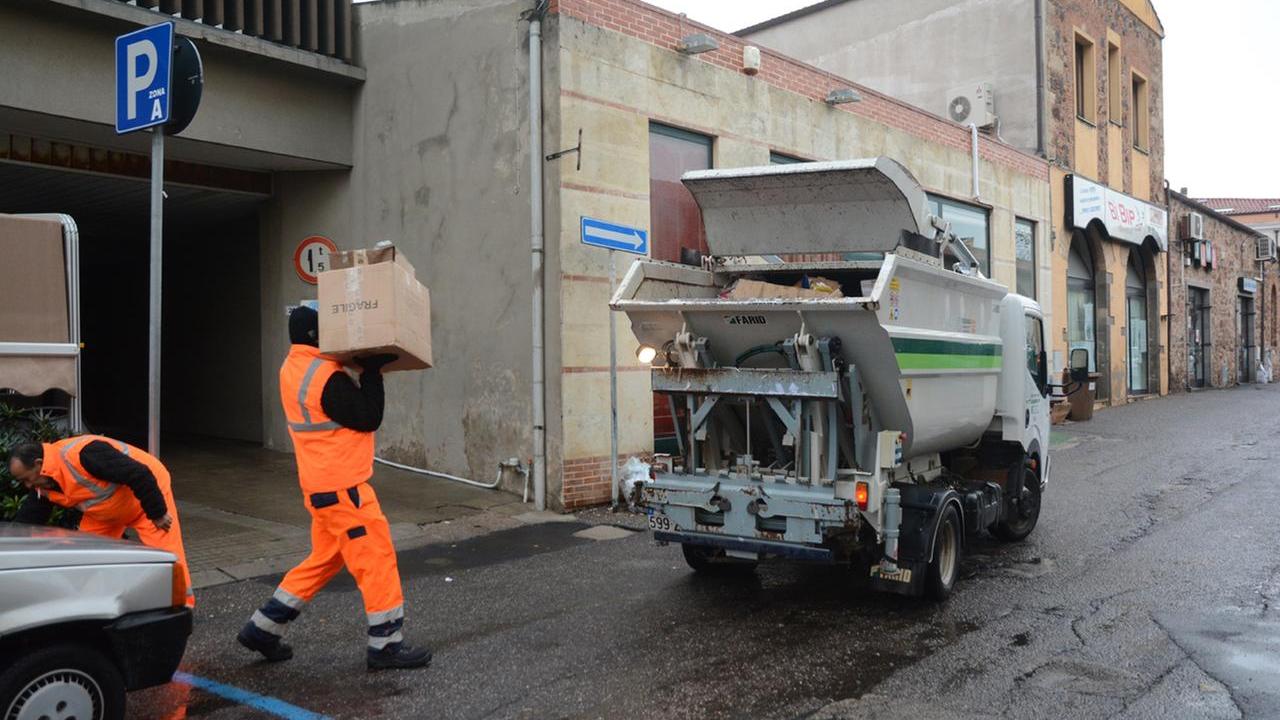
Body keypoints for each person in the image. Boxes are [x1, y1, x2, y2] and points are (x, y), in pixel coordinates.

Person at [237, 306, 430, 671]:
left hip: (320, 487)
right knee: (376, 559)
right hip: (345, 489)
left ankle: (262, 629)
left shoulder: (293, 367)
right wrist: (371, 372)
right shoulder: (326, 376)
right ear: (316, 336)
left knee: (324, 560)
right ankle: (386, 645)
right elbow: (368, 416)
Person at [8, 435, 195, 608]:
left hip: (146, 502)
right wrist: (10, 547)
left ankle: (181, 607)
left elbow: (139, 474)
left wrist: (157, 513)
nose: (28, 485)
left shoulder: (83, 455)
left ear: (38, 464)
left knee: (167, 557)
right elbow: (27, 521)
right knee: (86, 559)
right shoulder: (43, 485)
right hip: (103, 512)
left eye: (27, 479)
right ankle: (92, 606)